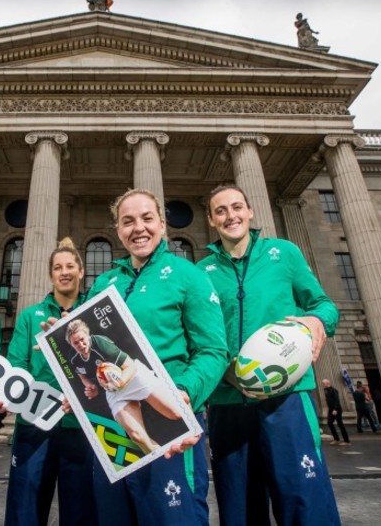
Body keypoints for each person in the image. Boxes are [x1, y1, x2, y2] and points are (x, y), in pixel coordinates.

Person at [85, 189, 230, 526]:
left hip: (171, 421)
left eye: (147, 218)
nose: (139, 228)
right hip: (114, 429)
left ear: (162, 225)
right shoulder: (105, 283)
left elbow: (213, 351)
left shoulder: (188, 275)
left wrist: (183, 391)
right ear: (118, 230)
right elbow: (92, 353)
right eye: (128, 221)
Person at [198, 185, 341, 525]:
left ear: (249, 212)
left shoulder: (283, 253)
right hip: (228, 402)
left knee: (304, 500)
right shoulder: (201, 273)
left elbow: (324, 305)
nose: (230, 215)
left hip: (287, 399)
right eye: (221, 210)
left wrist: (317, 320)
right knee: (240, 508)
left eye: (236, 207)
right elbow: (200, 337)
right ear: (211, 220)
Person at [4, 238, 97, 526]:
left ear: (81, 272)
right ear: (51, 274)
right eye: (58, 267)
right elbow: (17, 366)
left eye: (70, 266)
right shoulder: (31, 317)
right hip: (35, 424)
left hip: (83, 427)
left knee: (81, 510)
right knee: (26, 508)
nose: (64, 272)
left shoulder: (93, 315)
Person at [66, 318, 182, 454]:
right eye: (76, 343)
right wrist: (91, 387)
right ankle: (162, 457)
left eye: (82, 339)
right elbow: (83, 376)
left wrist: (119, 383)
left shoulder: (100, 343)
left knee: (176, 414)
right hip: (113, 389)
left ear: (88, 335)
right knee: (137, 436)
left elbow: (130, 366)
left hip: (131, 376)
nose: (80, 344)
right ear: (72, 345)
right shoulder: (73, 358)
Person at [322, 379, 350, 446]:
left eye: (323, 383)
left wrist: (335, 409)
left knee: (340, 424)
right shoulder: (326, 390)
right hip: (331, 409)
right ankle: (336, 439)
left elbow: (337, 400)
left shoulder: (334, 390)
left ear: (327, 383)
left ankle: (347, 441)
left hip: (336, 409)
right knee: (329, 422)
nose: (322, 385)